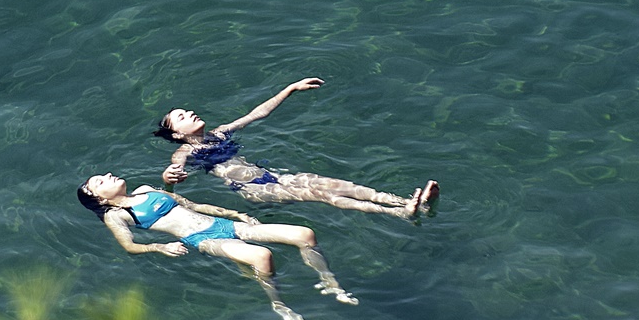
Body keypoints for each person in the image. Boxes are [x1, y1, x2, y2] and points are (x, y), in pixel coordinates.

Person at [77, 171, 357, 320]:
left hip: (225, 225)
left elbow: (194, 205)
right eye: (100, 182)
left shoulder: (149, 189)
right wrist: (161, 247)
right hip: (202, 239)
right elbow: (129, 246)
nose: (108, 175)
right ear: (99, 198)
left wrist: (236, 213)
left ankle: (328, 281)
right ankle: (279, 304)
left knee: (305, 234)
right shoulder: (116, 216)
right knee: (262, 256)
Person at [155, 77, 438, 218]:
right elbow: (175, 168)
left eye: (187, 110)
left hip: (273, 177)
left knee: (335, 184)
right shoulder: (186, 151)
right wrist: (170, 176)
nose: (190, 112)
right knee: (321, 195)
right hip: (255, 190)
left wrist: (290, 88)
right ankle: (399, 213)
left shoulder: (219, 133)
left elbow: (257, 114)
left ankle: (408, 202)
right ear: (178, 134)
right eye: (181, 116)